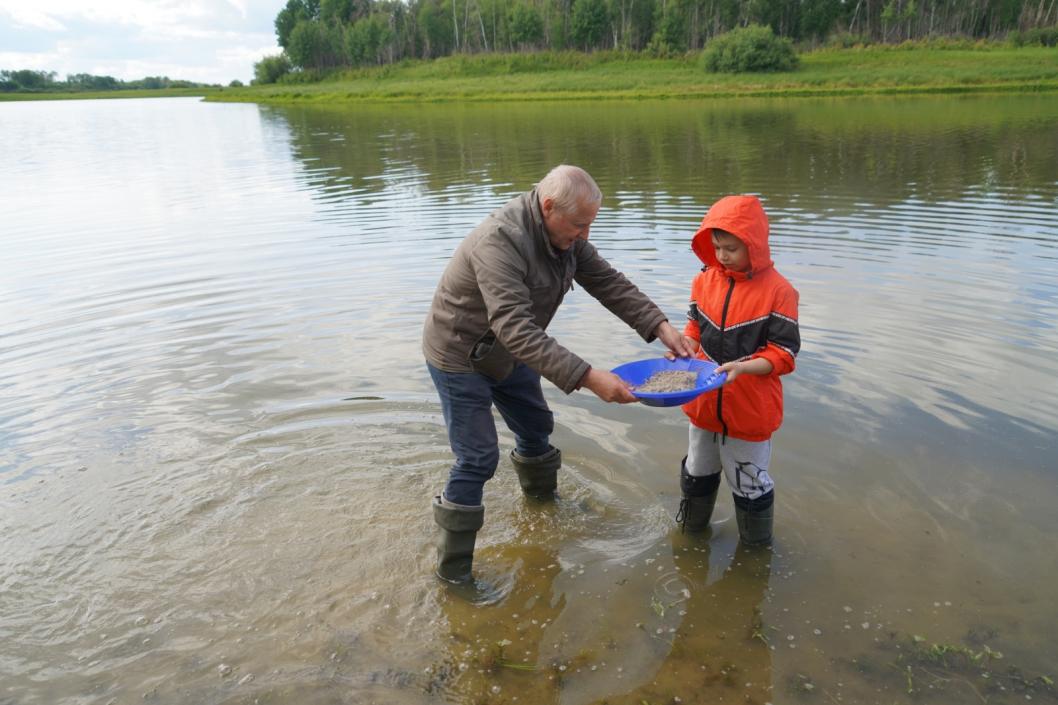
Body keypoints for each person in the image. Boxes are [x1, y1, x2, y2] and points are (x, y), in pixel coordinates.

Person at [423, 164, 693, 583]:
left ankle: (543, 508)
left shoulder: (566, 236)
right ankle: (453, 574)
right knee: (478, 458)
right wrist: (588, 377)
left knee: (536, 428)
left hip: (512, 352)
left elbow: (610, 284)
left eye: (590, 225)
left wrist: (662, 328)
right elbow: (514, 327)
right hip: (461, 355)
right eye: (579, 225)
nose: (585, 235)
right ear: (548, 207)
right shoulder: (500, 241)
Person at [674, 194, 800, 545]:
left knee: (749, 481)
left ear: (754, 245)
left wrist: (743, 369)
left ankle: (755, 553)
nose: (722, 256)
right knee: (697, 470)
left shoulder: (780, 291)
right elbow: (695, 328)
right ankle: (691, 533)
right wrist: (685, 349)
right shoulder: (703, 281)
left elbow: (784, 355)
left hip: (749, 408)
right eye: (716, 246)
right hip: (702, 401)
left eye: (731, 248)